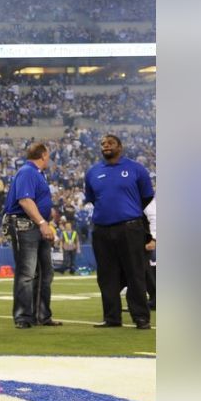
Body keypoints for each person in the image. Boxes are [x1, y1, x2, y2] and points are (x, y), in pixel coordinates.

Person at [84, 134, 155, 329]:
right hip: (101, 230)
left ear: (120, 147)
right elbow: (92, 198)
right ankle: (112, 318)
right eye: (103, 144)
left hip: (130, 228)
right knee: (106, 276)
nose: (106, 146)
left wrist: (128, 213)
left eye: (110, 143)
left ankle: (141, 317)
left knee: (135, 273)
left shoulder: (136, 169)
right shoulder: (92, 172)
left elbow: (147, 196)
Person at [3, 142, 61, 329]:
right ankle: (23, 317)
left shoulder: (36, 173)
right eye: (48, 156)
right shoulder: (28, 172)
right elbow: (25, 200)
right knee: (27, 273)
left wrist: (46, 220)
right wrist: (42, 223)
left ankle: (42, 314)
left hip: (36, 226)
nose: (49, 159)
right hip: (25, 225)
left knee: (45, 272)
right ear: (44, 155)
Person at [144, 196, 156, 311]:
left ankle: (155, 299)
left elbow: (153, 217)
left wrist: (153, 238)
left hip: (147, 238)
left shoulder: (146, 199)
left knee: (149, 269)